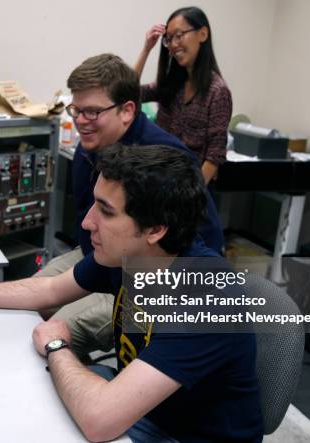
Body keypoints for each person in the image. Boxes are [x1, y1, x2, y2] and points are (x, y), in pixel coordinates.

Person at [0, 144, 263, 442]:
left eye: (105, 211)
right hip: (146, 407)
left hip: (184, 435)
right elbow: (47, 289)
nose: (85, 222)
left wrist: (56, 347)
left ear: (155, 229)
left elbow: (100, 420)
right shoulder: (130, 254)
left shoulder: (206, 297)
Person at [37, 53, 224, 361]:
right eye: (77, 110)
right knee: (30, 299)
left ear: (127, 111)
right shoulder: (90, 147)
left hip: (146, 276)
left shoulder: (165, 160)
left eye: (93, 111)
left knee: (60, 330)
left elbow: (200, 247)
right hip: (100, 254)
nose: (81, 120)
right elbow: (88, 225)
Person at [134, 6, 232, 185]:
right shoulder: (173, 84)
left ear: (202, 34)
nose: (172, 44)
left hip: (189, 189)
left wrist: (192, 195)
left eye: (179, 35)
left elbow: (214, 155)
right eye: (169, 39)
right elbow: (129, 93)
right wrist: (146, 49)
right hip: (156, 178)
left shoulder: (217, 91)